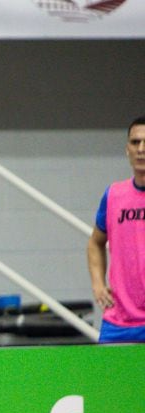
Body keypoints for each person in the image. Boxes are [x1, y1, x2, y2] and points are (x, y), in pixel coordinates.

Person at [86, 115, 145, 343]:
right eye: (135, 142)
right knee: (109, 380)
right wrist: (98, 284)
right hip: (118, 323)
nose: (141, 149)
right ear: (127, 150)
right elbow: (95, 242)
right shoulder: (113, 196)